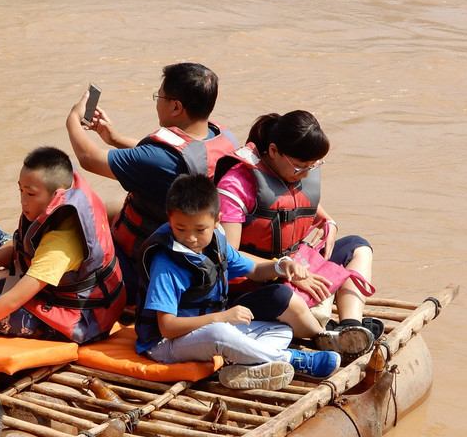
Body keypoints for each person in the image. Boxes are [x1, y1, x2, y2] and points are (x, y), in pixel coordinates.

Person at [135, 175, 340, 390]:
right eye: (180, 228)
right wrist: (221, 317)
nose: (191, 238)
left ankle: (250, 365)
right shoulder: (166, 264)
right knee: (220, 334)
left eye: (200, 229)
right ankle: (292, 360)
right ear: (169, 220)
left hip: (205, 330)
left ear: (217, 221)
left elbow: (254, 270)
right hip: (165, 345)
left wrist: (281, 266)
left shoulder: (216, 244)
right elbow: (167, 328)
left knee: (281, 329)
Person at [63, 62, 239, 299]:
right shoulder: (222, 136)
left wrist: (73, 120)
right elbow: (170, 156)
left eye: (160, 96)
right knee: (113, 205)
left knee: (64, 173)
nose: (157, 102)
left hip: (141, 266)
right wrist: (115, 139)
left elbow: (88, 158)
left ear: (176, 107)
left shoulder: (161, 160)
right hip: (191, 254)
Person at [214, 110, 379, 362]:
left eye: (313, 166)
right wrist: (283, 271)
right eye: (301, 166)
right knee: (283, 297)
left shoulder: (295, 171)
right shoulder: (236, 185)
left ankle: (350, 327)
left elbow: (315, 213)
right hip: (251, 286)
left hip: (296, 267)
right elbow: (228, 253)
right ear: (273, 151)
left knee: (359, 247)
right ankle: (323, 336)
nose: (306, 174)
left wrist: (330, 223)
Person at [0, 147, 125, 343]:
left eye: (30, 194)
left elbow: (15, 299)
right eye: (20, 190)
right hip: (78, 297)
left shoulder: (60, 243)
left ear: (56, 194)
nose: (23, 201)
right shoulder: (63, 195)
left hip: (85, 322)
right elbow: (18, 244)